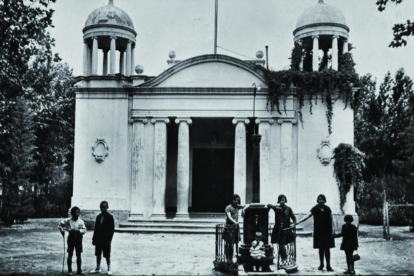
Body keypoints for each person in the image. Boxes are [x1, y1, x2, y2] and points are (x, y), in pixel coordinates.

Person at [294, 194, 335, 271]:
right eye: (319, 199)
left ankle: (328, 265)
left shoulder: (328, 208)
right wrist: (298, 222)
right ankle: (321, 264)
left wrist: (333, 230)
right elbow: (307, 216)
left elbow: (332, 220)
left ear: (324, 200)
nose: (321, 201)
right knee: (321, 249)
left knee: (327, 249)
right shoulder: (315, 209)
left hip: (327, 232)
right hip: (319, 232)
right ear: (318, 200)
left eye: (322, 199)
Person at [58, 206, 87, 275]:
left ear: (79, 213)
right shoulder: (68, 220)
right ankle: (69, 270)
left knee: (79, 255)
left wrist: (77, 230)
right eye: (74, 213)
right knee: (70, 254)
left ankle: (79, 270)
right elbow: (60, 224)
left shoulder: (81, 221)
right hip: (71, 238)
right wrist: (62, 230)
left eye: (77, 212)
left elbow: (84, 230)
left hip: (79, 238)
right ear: (72, 213)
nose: (76, 214)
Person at [267, 194, 297, 261]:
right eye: (280, 200)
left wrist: (294, 224)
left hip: (286, 229)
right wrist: (271, 207)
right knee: (280, 243)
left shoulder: (288, 209)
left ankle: (284, 257)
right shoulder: (277, 208)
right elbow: (269, 205)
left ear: (285, 200)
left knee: (282, 243)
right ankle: (284, 257)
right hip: (278, 229)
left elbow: (294, 218)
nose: (282, 202)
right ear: (278, 201)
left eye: (283, 200)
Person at [90, 201, 115, 276]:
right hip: (98, 239)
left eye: (104, 207)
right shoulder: (98, 217)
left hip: (106, 239)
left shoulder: (110, 217)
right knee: (98, 254)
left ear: (107, 207)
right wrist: (94, 239)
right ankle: (98, 268)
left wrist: (109, 240)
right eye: (101, 207)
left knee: (107, 254)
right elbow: (96, 229)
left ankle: (109, 268)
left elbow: (112, 229)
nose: (103, 209)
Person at [222, 194, 244, 265]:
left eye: (238, 200)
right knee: (228, 244)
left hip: (235, 228)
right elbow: (229, 216)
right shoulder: (228, 207)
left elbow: (246, 206)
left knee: (234, 243)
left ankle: (231, 259)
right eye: (235, 200)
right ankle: (228, 258)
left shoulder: (237, 207)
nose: (236, 201)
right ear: (232, 200)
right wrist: (235, 222)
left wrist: (243, 209)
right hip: (229, 227)